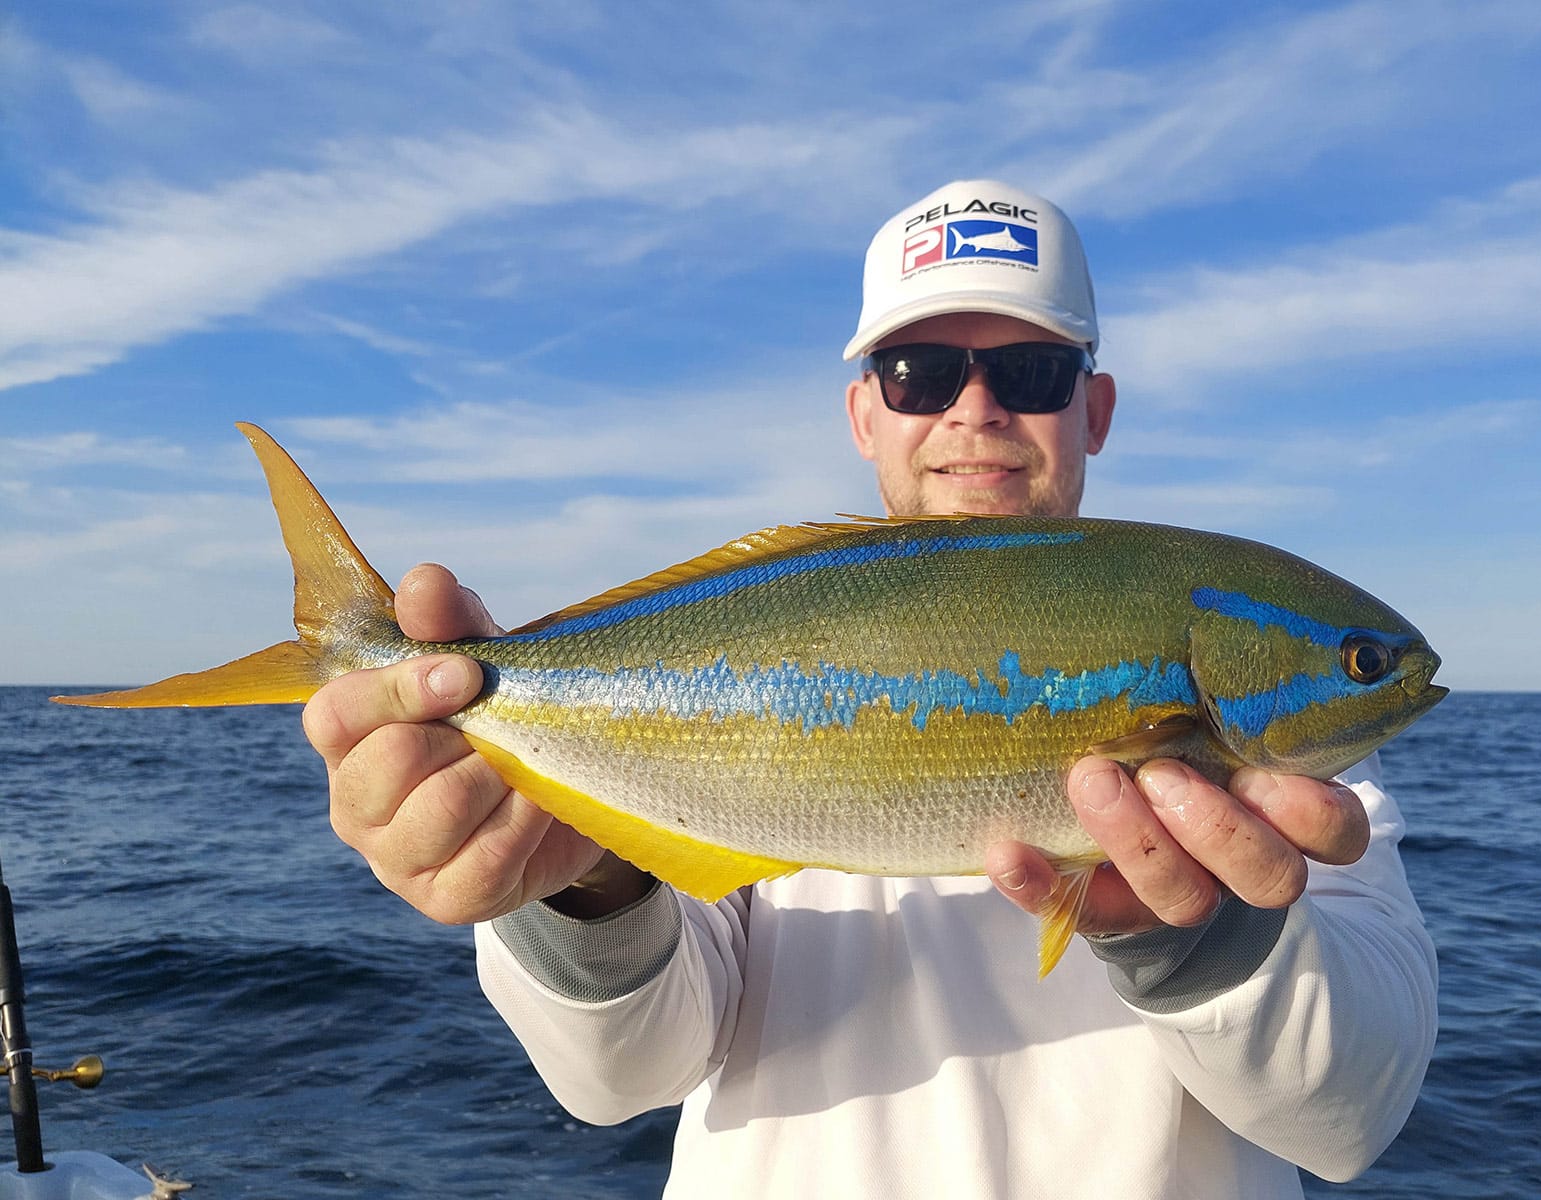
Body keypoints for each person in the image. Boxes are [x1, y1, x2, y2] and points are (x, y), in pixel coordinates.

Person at [303, 180, 1438, 1198]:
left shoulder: (1304, 792)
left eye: (1033, 372)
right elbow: (619, 1077)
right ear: (864, 414)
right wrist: (589, 886)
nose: (975, 411)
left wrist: (1201, 939)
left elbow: (1350, 1114)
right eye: (920, 372)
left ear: (1093, 408)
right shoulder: (746, 650)